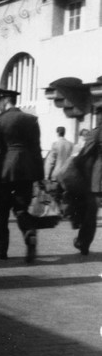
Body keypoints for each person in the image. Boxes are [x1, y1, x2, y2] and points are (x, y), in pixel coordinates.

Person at [0, 88, 44, 263]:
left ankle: (2, 250)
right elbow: (37, 149)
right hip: (27, 170)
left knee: (0, 211)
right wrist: (40, 176)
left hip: (4, 170)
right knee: (21, 208)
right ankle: (29, 232)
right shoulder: (31, 119)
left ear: (3, 101)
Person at [70, 107, 102, 255]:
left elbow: (83, 156)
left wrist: (73, 166)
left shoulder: (96, 133)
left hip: (98, 180)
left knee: (90, 214)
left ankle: (83, 243)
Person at [45, 126, 73, 207]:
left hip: (57, 173)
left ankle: (58, 210)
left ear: (57, 133)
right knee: (65, 192)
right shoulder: (71, 144)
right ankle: (64, 210)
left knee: (57, 193)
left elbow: (51, 161)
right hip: (68, 172)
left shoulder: (55, 144)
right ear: (64, 133)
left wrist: (47, 175)